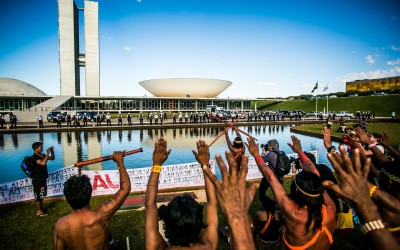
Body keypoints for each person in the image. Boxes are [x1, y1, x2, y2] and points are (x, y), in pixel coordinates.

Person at [247, 135, 336, 250]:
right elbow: (315, 174)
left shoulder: (294, 213)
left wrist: (255, 154)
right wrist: (299, 151)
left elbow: (270, 177)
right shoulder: (330, 208)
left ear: (297, 191)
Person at [144, 138, 218, 249]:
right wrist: (205, 165)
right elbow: (212, 202)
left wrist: (156, 164)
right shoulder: (208, 245)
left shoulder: (156, 246)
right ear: (199, 224)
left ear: (165, 221)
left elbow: (150, 205)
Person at [323, 146, 400, 250]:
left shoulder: (392, 204)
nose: (377, 176)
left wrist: (361, 203)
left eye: (380, 176)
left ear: (390, 182)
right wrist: (331, 148)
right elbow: (355, 176)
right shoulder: (388, 197)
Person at [54, 151, 130, 249]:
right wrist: (120, 163)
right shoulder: (101, 215)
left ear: (67, 198)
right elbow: (125, 188)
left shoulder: (61, 226)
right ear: (90, 194)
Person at [201, 149, 258, 249]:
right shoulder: (207, 246)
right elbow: (212, 202)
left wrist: (204, 165)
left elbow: (212, 202)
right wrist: (238, 215)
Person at [31, 142, 55, 217]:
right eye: (40, 147)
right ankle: (39, 211)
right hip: (37, 179)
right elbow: (43, 163)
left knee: (41, 194)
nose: (42, 149)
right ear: (36, 148)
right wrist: (47, 154)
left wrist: (52, 152)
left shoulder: (41, 155)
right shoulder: (34, 157)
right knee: (38, 195)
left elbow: (52, 158)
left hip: (42, 178)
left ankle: (41, 209)